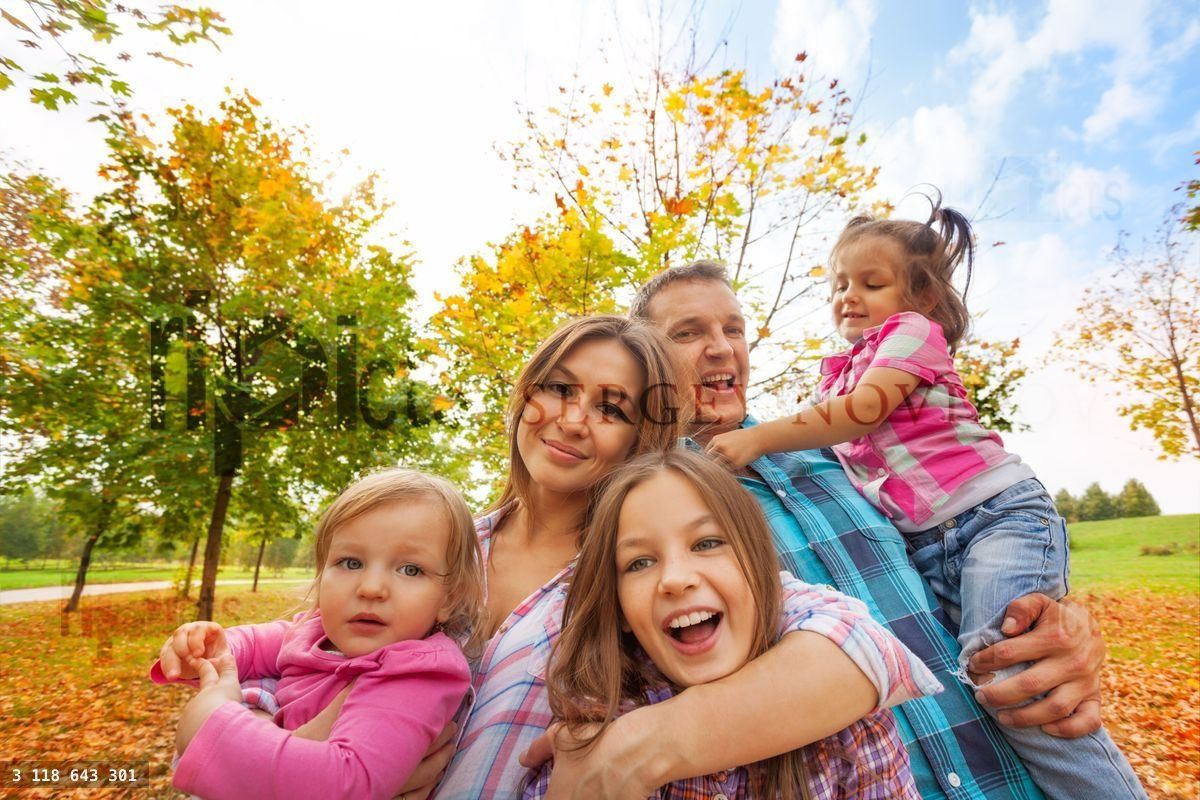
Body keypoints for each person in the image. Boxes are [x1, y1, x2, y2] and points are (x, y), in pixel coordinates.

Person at [625, 259, 1114, 799]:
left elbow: (963, 549)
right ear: (649, 362)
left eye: (733, 328)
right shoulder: (650, 511)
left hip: (1011, 775)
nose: (722, 347)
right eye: (689, 333)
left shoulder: (841, 453)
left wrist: (1059, 619)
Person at [432, 315, 943, 800]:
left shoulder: (640, 572)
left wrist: (645, 745)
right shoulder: (441, 547)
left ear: (641, 437)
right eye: (559, 389)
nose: (571, 421)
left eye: (611, 409)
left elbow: (861, 644)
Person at [524, 449, 933, 799]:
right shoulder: (587, 736)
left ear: (762, 571)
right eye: (639, 563)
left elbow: (865, 643)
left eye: (706, 543)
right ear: (620, 613)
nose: (675, 579)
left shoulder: (848, 726)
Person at [151, 468, 483, 800]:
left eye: (410, 569)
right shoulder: (314, 630)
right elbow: (249, 645)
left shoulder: (419, 670)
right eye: (351, 563)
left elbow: (344, 782)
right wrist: (209, 650)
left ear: (449, 598)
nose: (371, 588)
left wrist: (211, 726)